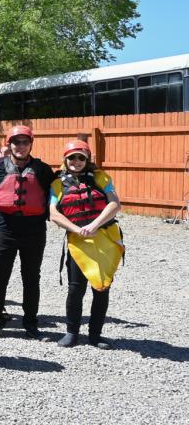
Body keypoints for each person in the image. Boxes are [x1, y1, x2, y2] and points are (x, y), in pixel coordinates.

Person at [49, 139, 124, 349]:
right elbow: (53, 213)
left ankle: (95, 335)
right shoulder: (57, 184)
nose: (76, 161)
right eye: (72, 157)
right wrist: (76, 229)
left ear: (87, 159)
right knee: (75, 289)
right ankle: (72, 332)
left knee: (101, 287)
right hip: (77, 241)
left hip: (103, 237)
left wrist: (93, 225)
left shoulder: (101, 178)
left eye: (81, 157)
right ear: (65, 159)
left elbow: (114, 203)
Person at [0, 125, 55, 339]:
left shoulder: (42, 170)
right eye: (16, 142)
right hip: (4, 226)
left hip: (33, 228)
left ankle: (31, 323)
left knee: (31, 277)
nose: (21, 146)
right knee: (0, 275)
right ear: (9, 144)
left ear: (31, 144)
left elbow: (54, 197)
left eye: (25, 142)